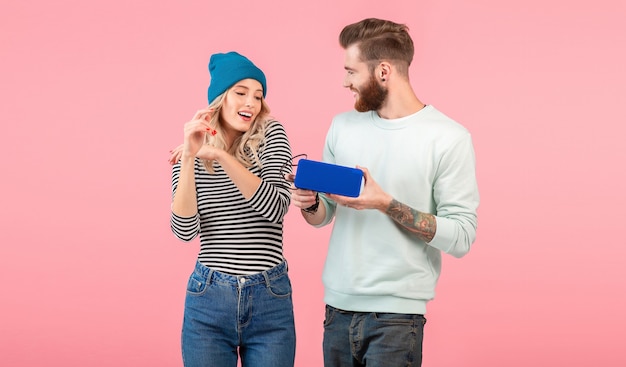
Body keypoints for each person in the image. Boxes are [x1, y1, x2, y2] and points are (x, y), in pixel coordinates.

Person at [287, 18, 479, 366]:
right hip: (337, 311)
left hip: (397, 318)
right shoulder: (342, 126)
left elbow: (462, 236)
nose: (344, 82)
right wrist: (311, 202)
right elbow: (324, 215)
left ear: (384, 71)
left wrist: (385, 203)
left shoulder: (448, 138)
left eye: (351, 71)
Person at [168, 51, 295, 367]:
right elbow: (184, 231)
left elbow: (276, 208)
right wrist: (190, 157)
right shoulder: (190, 153)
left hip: (269, 297)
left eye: (257, 95)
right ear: (220, 99)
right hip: (209, 299)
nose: (251, 103)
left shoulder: (271, 135)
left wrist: (223, 157)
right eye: (241, 93)